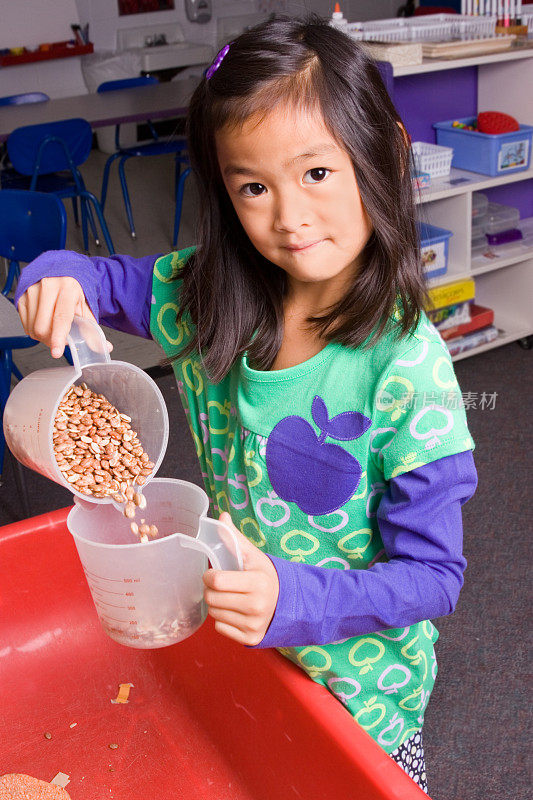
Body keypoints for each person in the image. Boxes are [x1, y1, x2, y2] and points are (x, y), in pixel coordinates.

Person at [15, 14, 477, 793]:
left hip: (360, 695)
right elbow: (92, 277)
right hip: (243, 649)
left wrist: (288, 595)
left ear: (384, 154)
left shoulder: (406, 369)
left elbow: (433, 577)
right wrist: (54, 276)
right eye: (253, 187)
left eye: (317, 174)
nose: (289, 218)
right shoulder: (203, 296)